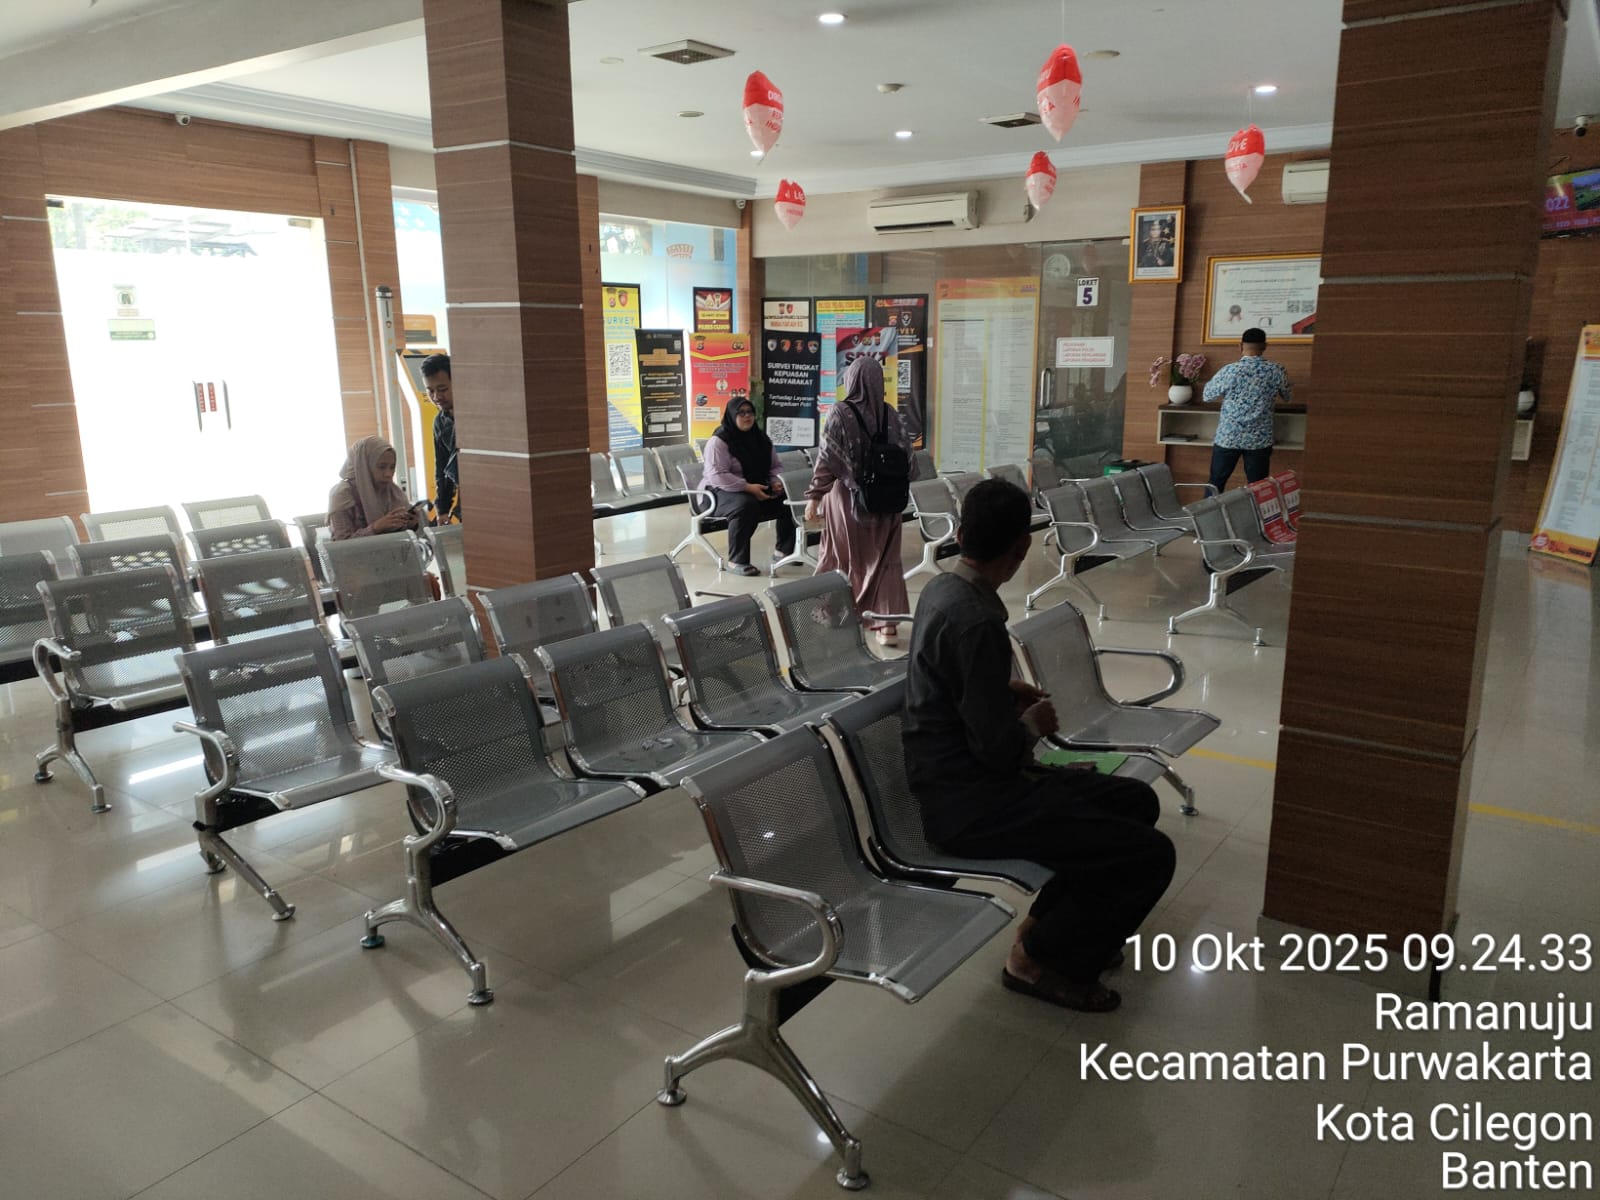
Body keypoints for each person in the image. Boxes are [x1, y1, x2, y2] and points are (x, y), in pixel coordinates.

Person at [903, 479, 1175, 1013]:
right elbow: (999, 753)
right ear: (1021, 548)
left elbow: (946, 685)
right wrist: (1031, 723)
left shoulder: (941, 590)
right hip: (971, 804)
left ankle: (1051, 930)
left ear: (959, 535)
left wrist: (1000, 691)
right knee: (1149, 856)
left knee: (1135, 802)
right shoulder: (977, 621)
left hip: (956, 782)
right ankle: (1037, 960)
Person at [804, 357, 912, 645]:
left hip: (848, 501)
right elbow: (909, 461)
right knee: (885, 562)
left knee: (842, 556)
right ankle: (887, 627)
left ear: (851, 380)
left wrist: (815, 496)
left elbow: (826, 459)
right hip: (889, 501)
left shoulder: (840, 412)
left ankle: (835, 613)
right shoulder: (891, 414)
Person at [701, 395, 797, 577]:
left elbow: (775, 466)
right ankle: (737, 560)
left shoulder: (761, 439)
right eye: (741, 413)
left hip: (755, 488)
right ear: (731, 415)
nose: (747, 416)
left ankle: (783, 551)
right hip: (716, 493)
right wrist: (748, 487)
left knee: (787, 499)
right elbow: (717, 475)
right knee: (745, 505)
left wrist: (775, 481)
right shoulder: (719, 441)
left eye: (750, 412)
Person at [1202, 326, 1293, 492]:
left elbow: (1207, 396)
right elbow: (1287, 396)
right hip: (1260, 439)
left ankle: (1209, 509)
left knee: (1215, 483)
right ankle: (1256, 510)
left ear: (1240, 346)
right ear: (1265, 346)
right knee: (1259, 487)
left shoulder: (1230, 370)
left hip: (1229, 436)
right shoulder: (1276, 370)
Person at [328, 435, 419, 540]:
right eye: (381, 467)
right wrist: (375, 528)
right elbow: (341, 543)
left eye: (392, 467)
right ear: (363, 465)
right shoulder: (342, 495)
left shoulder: (393, 492)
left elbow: (402, 539)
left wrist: (411, 525)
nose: (388, 474)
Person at [421, 353, 459, 522]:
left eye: (442, 389)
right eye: (430, 391)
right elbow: (442, 466)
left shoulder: (474, 415)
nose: (436, 397)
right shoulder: (440, 422)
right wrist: (442, 509)